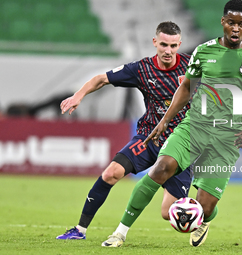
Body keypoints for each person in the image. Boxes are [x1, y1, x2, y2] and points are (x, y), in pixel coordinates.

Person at [111, 0, 242, 248]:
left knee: (205, 207)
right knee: (161, 168)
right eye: (231, 23)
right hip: (193, 126)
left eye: (241, 24)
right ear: (223, 22)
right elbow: (186, 87)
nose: (235, 28)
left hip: (226, 138)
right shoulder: (204, 51)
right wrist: (165, 121)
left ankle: (205, 220)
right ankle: (120, 232)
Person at [56, 21, 193, 243]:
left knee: (169, 213)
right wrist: (78, 95)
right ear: (155, 42)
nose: (168, 51)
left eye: (173, 46)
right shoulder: (142, 69)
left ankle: (203, 218)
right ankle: (79, 229)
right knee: (111, 173)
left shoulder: (192, 66)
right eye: (164, 45)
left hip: (180, 143)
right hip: (150, 136)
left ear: (180, 45)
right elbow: (101, 79)